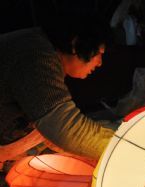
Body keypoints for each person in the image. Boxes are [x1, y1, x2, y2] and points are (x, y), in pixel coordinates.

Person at [0, 13, 118, 173]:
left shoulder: (41, 51)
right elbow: (63, 127)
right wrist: (121, 146)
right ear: (76, 43)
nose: (99, 63)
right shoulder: (34, 54)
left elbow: (51, 129)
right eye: (99, 53)